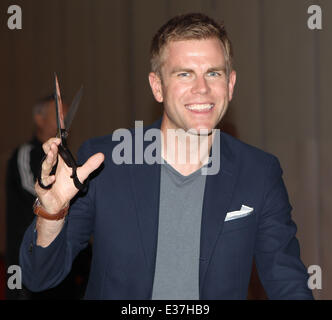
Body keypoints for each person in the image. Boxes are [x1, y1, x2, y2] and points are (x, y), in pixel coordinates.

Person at [19, 13, 313, 299]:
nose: (202, 89)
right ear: (157, 86)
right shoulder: (105, 163)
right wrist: (52, 214)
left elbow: (287, 281)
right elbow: (40, 278)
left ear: (230, 84)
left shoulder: (259, 171)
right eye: (184, 74)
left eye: (214, 73)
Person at [6, 96, 91, 299]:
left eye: (66, 115)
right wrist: (53, 194)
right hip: (22, 255)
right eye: (58, 115)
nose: (63, 121)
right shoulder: (25, 153)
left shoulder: (67, 157)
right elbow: (33, 190)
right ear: (39, 118)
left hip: (57, 253)